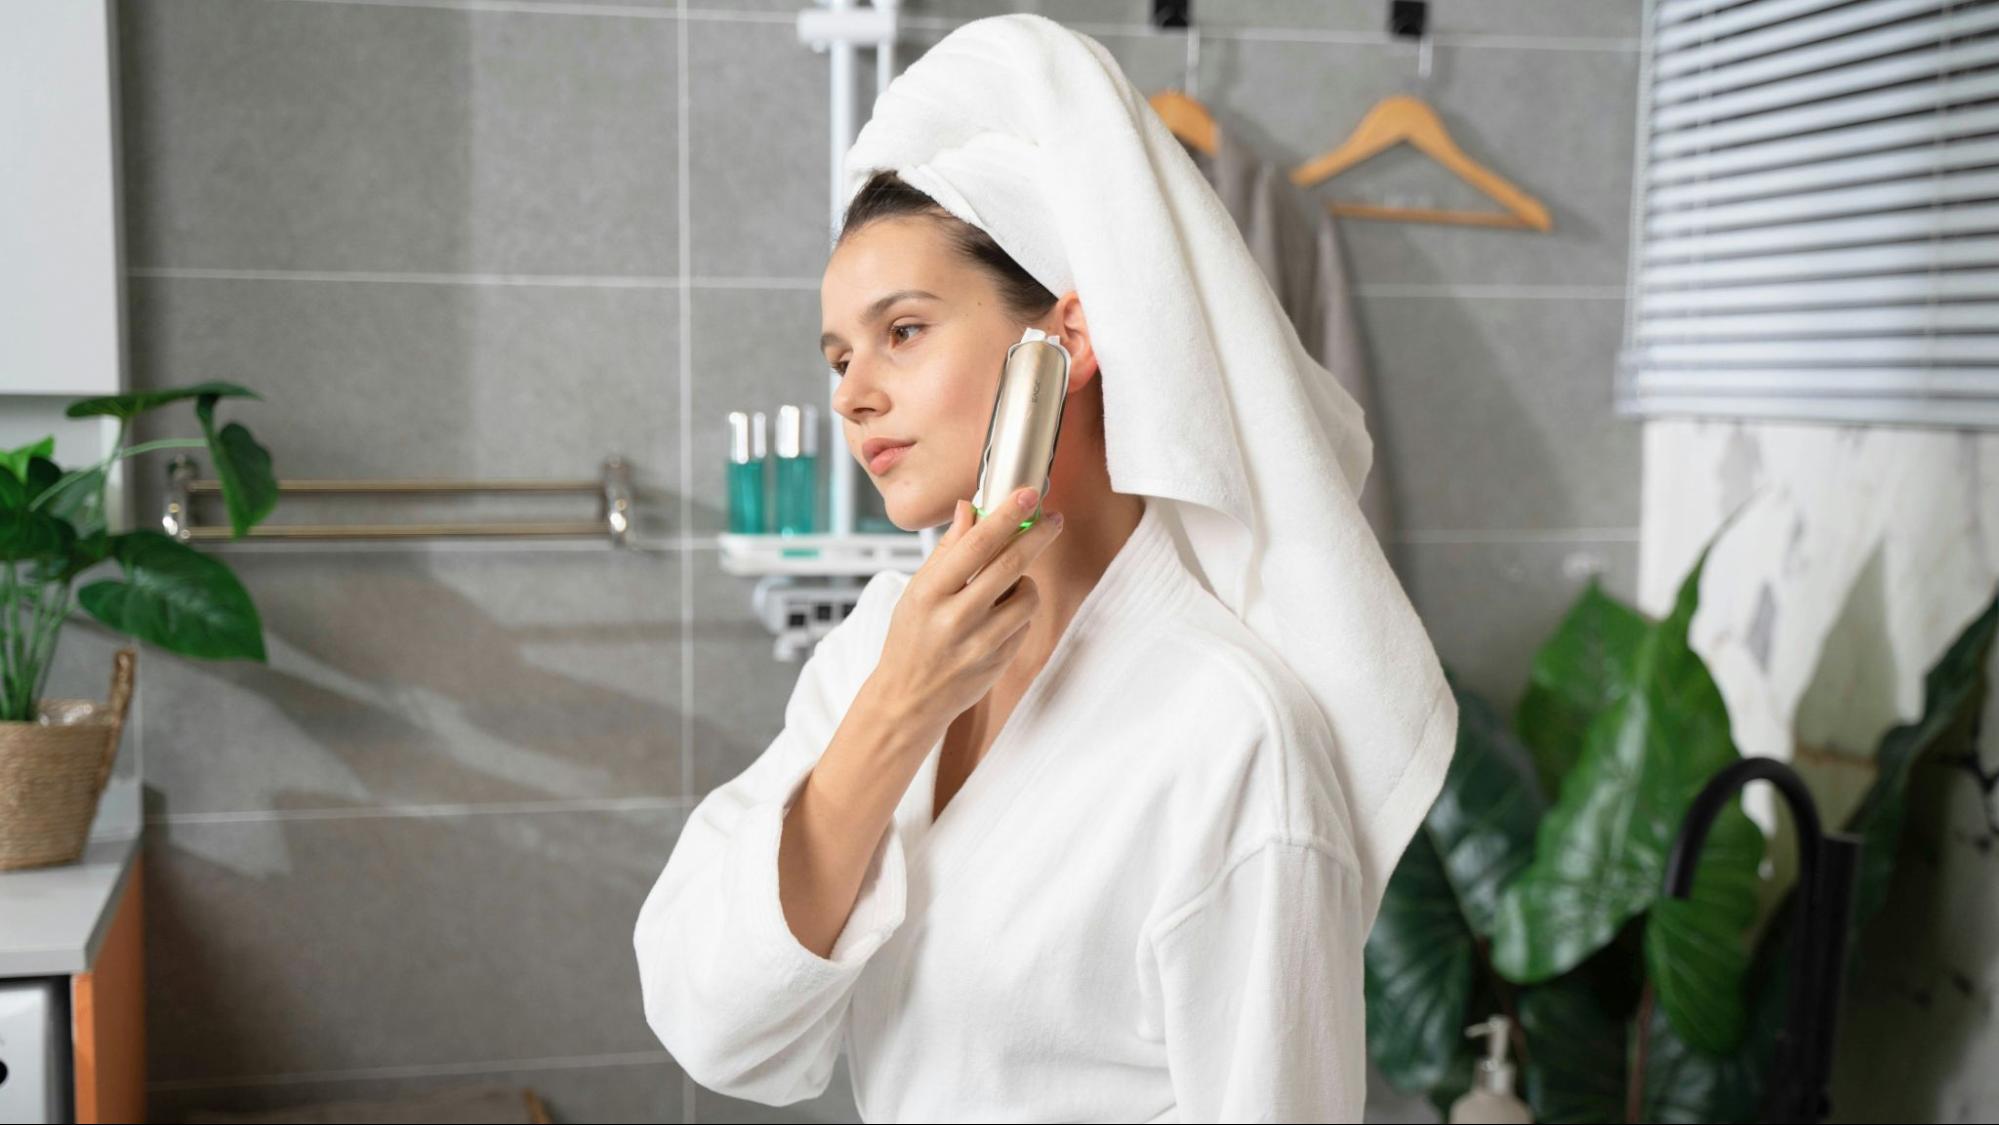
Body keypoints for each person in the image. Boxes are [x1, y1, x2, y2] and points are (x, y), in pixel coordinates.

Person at [635, 14, 1456, 1123]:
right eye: (838, 354)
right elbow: (712, 1023)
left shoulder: (1230, 736)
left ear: (1065, 340)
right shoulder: (882, 652)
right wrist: (893, 714)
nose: (851, 392)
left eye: (904, 332)